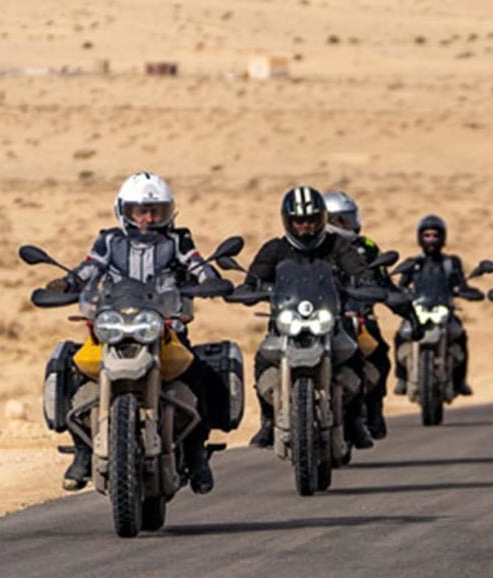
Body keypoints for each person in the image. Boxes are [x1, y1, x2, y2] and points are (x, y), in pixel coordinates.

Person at [44, 172, 227, 494]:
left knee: (200, 374)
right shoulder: (109, 241)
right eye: (140, 211)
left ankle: (198, 453)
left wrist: (210, 280)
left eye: (155, 211)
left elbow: (197, 264)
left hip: (164, 327)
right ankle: (83, 452)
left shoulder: (177, 240)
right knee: (72, 369)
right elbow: (88, 269)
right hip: (112, 327)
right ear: (124, 211)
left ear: (168, 212)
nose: (147, 218)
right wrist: (67, 283)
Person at [244, 186, 377, 451]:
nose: (305, 227)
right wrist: (250, 288)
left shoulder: (336, 245)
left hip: (331, 321)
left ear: (322, 219)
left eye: (311, 220)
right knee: (261, 359)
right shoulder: (275, 248)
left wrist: (362, 283)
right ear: (287, 221)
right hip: (286, 325)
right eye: (298, 221)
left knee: (356, 356)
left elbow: (359, 270)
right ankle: (268, 420)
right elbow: (254, 276)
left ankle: (354, 420)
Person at [323, 191, 403, 440]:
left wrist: (397, 300)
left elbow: (382, 278)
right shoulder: (314, 246)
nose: (351, 224)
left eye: (350, 219)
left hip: (359, 314)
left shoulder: (366, 246)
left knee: (379, 354)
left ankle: (375, 409)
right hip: (320, 314)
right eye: (344, 220)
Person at [392, 214, 479, 399]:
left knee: (460, 335)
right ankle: (401, 378)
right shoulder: (412, 264)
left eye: (435, 235)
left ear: (443, 238)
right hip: (418, 311)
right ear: (420, 237)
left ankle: (460, 381)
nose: (431, 239)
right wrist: (396, 296)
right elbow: (401, 286)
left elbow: (461, 284)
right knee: (400, 335)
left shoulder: (451, 263)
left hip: (443, 312)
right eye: (427, 235)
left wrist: (468, 292)